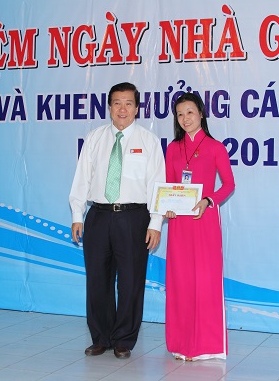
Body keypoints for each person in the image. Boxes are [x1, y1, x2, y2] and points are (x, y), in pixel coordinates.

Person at [69, 82, 165, 359]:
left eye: (128, 103)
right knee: (97, 280)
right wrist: (77, 215)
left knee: (131, 282)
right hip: (98, 215)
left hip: (134, 217)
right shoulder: (95, 138)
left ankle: (123, 339)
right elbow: (82, 178)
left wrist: (155, 223)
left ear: (137, 108)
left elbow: (157, 184)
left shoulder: (148, 141)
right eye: (117, 103)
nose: (122, 109)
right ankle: (101, 337)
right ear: (109, 107)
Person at [163, 92, 235, 361]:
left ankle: (207, 345)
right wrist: (167, 206)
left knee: (205, 281)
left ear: (201, 114)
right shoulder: (173, 148)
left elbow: (229, 184)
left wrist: (208, 200)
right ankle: (181, 344)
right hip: (179, 224)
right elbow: (169, 184)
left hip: (204, 220)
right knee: (181, 281)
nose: (185, 119)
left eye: (190, 112)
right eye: (180, 114)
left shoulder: (216, 147)